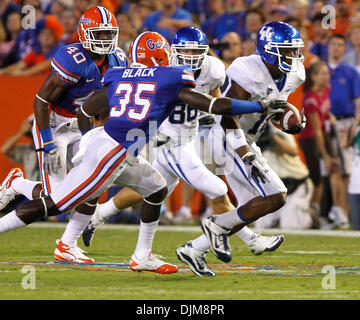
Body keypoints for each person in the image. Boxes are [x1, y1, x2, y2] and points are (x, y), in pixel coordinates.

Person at [0, 31, 286, 274]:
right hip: (112, 152)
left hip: (113, 145)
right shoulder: (169, 78)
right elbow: (216, 107)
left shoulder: (119, 73)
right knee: (56, 204)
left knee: (156, 188)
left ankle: (141, 256)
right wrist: (259, 106)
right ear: (163, 58)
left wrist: (89, 140)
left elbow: (87, 109)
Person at [82, 27, 285, 267]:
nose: (189, 55)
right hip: (169, 140)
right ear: (173, 52)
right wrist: (257, 106)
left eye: (195, 50)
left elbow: (215, 98)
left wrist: (210, 115)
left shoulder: (212, 68)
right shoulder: (166, 71)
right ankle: (249, 239)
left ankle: (99, 216)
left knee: (152, 191)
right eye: (184, 50)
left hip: (187, 137)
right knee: (217, 187)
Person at [0, 6, 128, 263]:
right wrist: (46, 139)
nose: (104, 40)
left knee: (91, 186)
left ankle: (67, 245)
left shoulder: (118, 59)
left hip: (83, 124)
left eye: (107, 34)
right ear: (84, 32)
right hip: (54, 123)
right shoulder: (73, 58)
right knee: (58, 200)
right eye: (99, 34)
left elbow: (108, 101)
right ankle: (17, 184)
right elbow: (41, 100)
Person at [185, 21, 306, 267]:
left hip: (250, 140)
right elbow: (230, 116)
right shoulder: (246, 69)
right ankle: (215, 225)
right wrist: (245, 153)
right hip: (227, 138)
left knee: (253, 207)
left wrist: (286, 122)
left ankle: (194, 249)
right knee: (276, 197)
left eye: (295, 50)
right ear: (269, 50)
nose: (293, 56)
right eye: (287, 50)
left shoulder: (296, 74)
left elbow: (271, 108)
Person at [298, 61, 345, 228]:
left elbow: (325, 112)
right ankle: (313, 216)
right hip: (310, 140)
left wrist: (330, 116)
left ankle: (336, 209)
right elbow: (316, 131)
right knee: (316, 180)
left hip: (322, 136)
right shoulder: (309, 98)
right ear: (314, 77)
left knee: (336, 169)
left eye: (327, 73)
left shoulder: (326, 90)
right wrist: (325, 155)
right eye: (323, 73)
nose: (327, 76)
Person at [327, 33, 360, 224]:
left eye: (340, 45)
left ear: (344, 48)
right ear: (328, 47)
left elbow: (358, 100)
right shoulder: (320, 70)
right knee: (332, 168)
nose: (336, 48)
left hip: (346, 122)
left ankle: (343, 211)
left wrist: (356, 122)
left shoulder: (350, 72)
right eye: (333, 44)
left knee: (346, 169)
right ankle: (337, 209)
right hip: (326, 122)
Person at [254, 125, 313, 230]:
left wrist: (273, 137)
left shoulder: (281, 131)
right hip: (274, 190)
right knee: (261, 226)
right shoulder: (252, 136)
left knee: (291, 226)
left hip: (296, 184)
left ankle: (312, 215)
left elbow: (293, 151)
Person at [0, 15, 64, 76]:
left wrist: (24, 73)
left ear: (55, 36)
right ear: (38, 36)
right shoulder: (35, 52)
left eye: (50, 34)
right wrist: (3, 71)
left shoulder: (60, 50)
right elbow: (19, 65)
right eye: (43, 34)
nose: (46, 37)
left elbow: (44, 65)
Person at [348, 114, 360, 230]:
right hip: (355, 185)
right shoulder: (356, 129)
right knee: (356, 227)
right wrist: (355, 124)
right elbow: (345, 144)